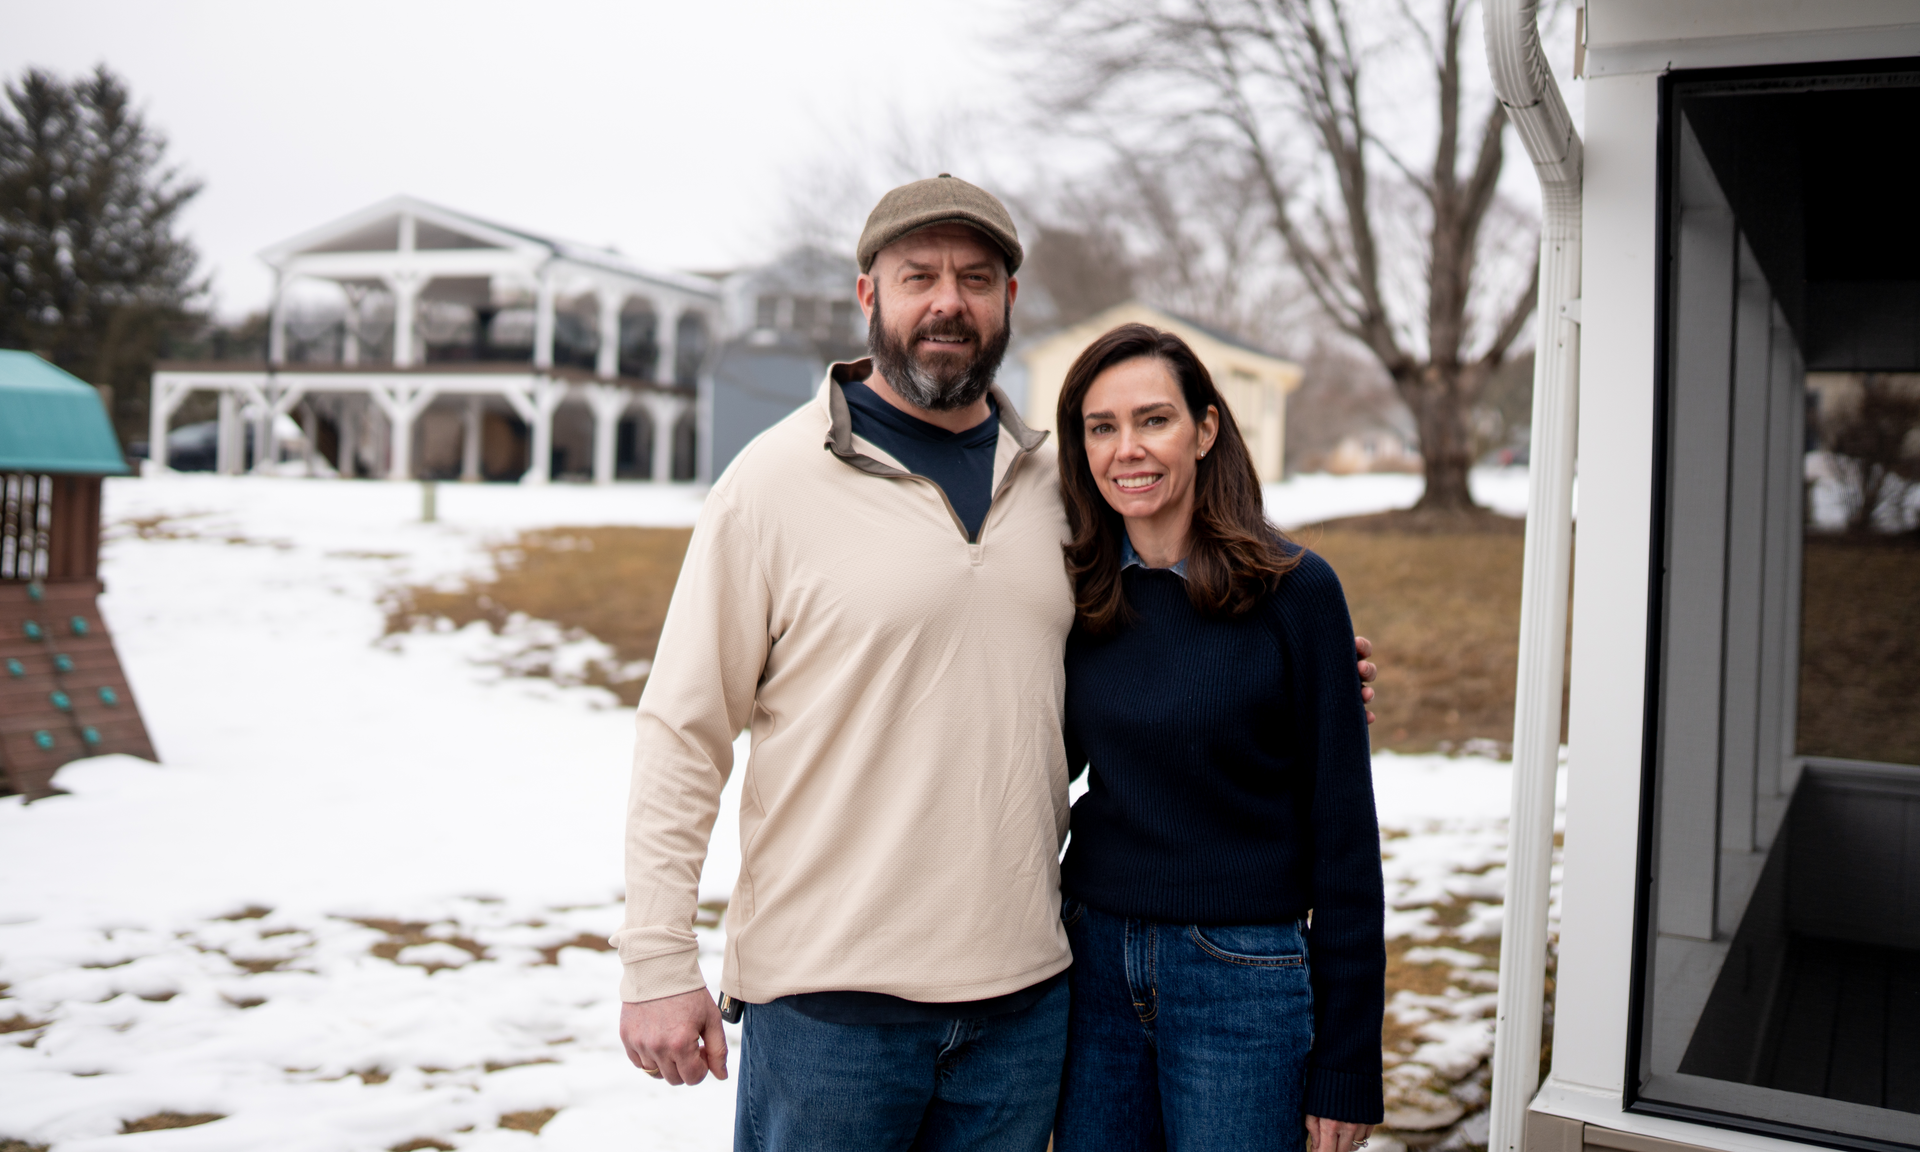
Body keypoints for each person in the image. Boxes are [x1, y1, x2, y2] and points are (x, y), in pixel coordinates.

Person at [613, 175, 1378, 1152]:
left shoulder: (1059, 492)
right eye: (918, 275)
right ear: (869, 297)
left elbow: (1161, 619)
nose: (948, 301)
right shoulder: (770, 484)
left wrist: (1301, 673)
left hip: (1024, 1006)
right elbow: (683, 728)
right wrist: (653, 959)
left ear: (1009, 302)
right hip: (830, 1006)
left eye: (976, 278)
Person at [1051, 323, 1385, 1152]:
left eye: (1153, 420)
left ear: (1205, 430)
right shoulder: (1076, 597)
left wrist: (1347, 1063)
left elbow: (1346, 840)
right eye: (1102, 427)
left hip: (1241, 976)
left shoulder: (1297, 595)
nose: (1127, 449)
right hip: (1092, 962)